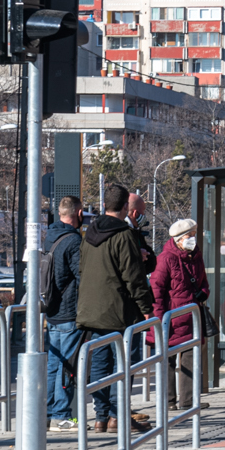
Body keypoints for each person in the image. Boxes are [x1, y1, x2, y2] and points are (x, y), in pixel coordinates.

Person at [75, 183, 156, 433]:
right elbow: (133, 277)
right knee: (123, 364)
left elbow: (82, 270)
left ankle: (100, 417)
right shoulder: (124, 235)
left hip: (91, 310)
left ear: (103, 205)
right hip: (119, 312)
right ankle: (117, 416)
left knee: (100, 365)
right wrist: (146, 307)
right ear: (124, 207)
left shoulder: (89, 234)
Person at [149, 217, 210, 410]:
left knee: (191, 357)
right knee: (167, 359)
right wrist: (158, 320)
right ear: (179, 239)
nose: (193, 239)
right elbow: (156, 291)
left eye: (194, 235)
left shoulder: (196, 256)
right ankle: (168, 401)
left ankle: (188, 401)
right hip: (171, 317)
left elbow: (204, 283)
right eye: (190, 236)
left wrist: (203, 292)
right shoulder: (166, 259)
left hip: (191, 314)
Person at [43, 196, 84, 430]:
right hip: (69, 312)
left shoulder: (49, 237)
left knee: (53, 364)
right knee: (67, 365)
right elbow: (82, 277)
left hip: (51, 310)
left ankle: (48, 413)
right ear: (78, 213)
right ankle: (61, 415)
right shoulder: (73, 241)